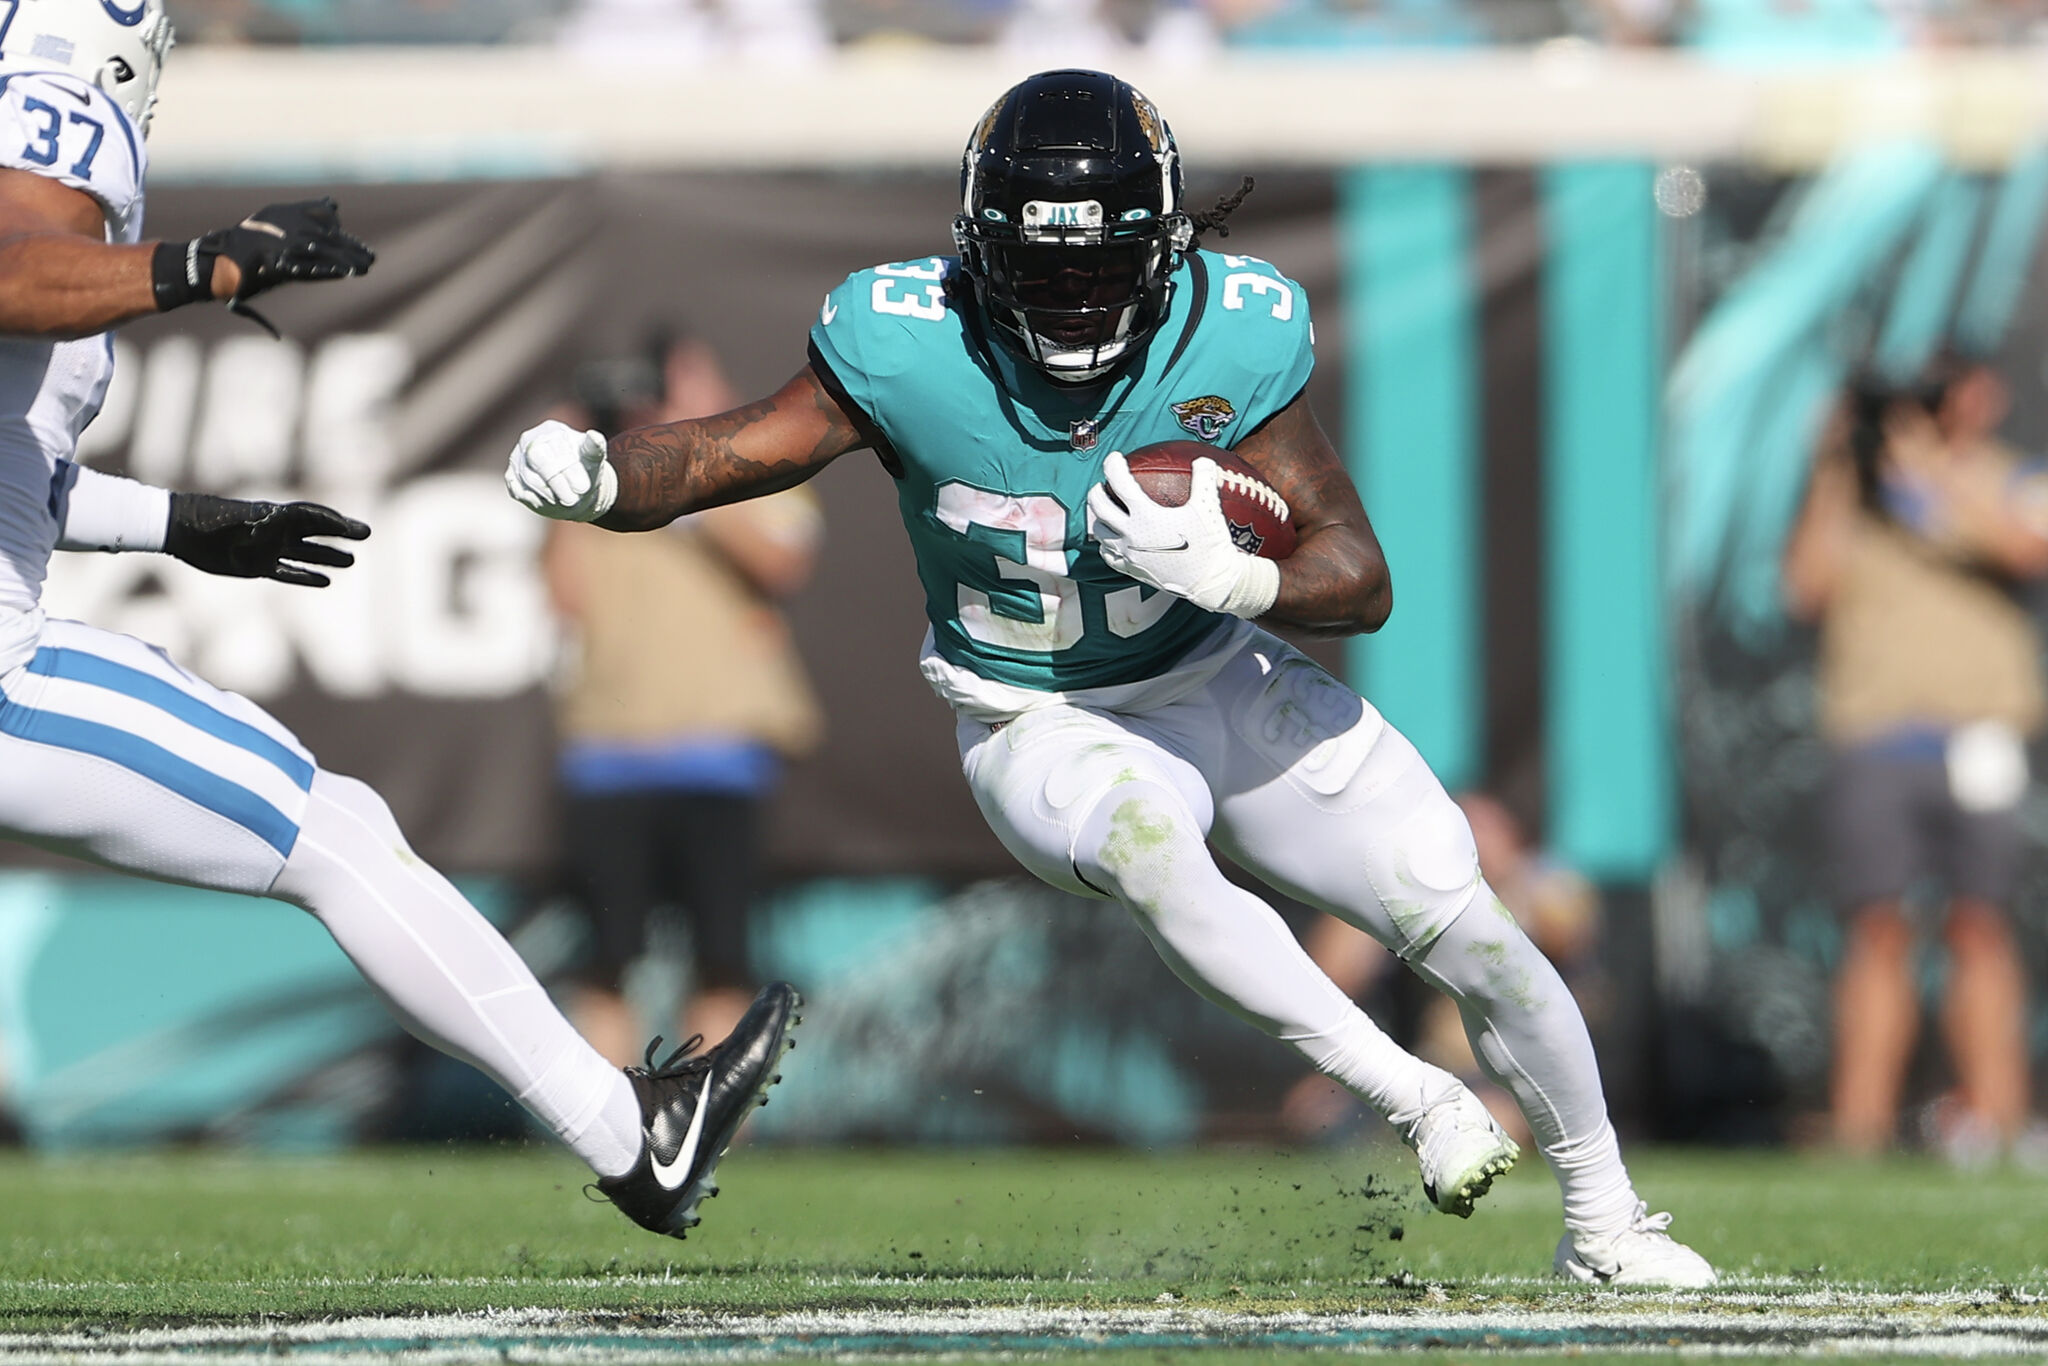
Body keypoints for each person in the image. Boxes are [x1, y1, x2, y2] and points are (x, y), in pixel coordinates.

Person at [506, 68, 1714, 1284]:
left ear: (1163, 247)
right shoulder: (907, 338)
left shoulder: (1231, 326)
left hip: (1210, 667)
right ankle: (1413, 1097)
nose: (1072, 297)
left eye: (1099, 266)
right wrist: (607, 477)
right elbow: (730, 451)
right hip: (1031, 712)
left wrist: (1241, 581)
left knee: (1463, 915)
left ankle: (1606, 1221)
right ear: (979, 250)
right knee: (1147, 841)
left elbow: (1359, 575)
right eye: (1042, 268)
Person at [0, 0, 794, 1239]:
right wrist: (194, 267)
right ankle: (633, 1136)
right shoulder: (53, 92)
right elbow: (9, 269)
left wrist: (174, 523)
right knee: (339, 833)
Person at [1784, 361, 2046, 1163]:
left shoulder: (2008, 477)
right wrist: (1838, 468)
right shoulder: (1856, 492)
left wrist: (1927, 474)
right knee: (1878, 927)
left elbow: (2025, 547)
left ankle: (2001, 1120)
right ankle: (1861, 1128)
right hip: (1876, 738)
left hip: (1980, 736)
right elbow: (1805, 588)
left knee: (1980, 925)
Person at [544, 332, 823, 1063]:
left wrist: (689, 468)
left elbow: (782, 561)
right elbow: (563, 600)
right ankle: (616, 1140)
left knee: (725, 960)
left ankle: (706, 1138)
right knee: (606, 963)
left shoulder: (760, 465)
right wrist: (574, 458)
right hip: (610, 752)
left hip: (722, 756)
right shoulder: (600, 476)